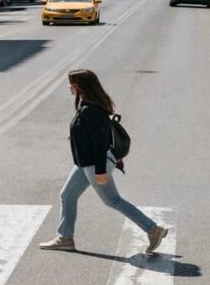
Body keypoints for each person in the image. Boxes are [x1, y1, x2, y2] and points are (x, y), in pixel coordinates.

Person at [40, 69, 169, 253]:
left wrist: (100, 171)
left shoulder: (89, 111)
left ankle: (153, 229)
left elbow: (99, 143)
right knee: (67, 195)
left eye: (71, 83)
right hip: (85, 164)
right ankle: (65, 238)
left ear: (79, 86)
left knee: (113, 201)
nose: (69, 87)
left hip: (94, 165)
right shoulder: (89, 105)